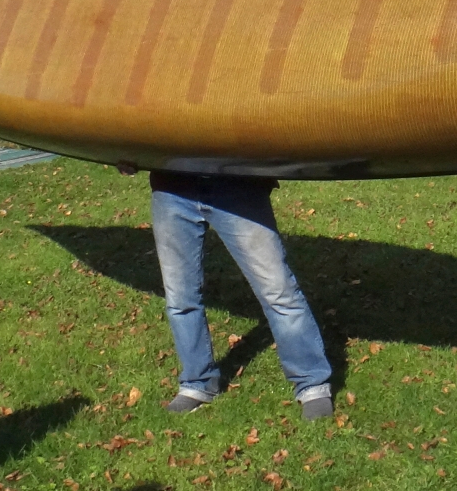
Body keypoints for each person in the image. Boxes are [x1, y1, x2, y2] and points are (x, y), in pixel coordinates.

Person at [128, 168, 334, 421]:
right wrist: (130, 152)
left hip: (238, 185)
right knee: (180, 298)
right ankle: (198, 382)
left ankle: (312, 384)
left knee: (278, 291)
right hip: (173, 188)